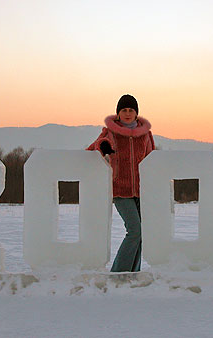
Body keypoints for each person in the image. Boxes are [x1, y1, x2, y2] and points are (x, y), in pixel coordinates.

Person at [86, 94, 155, 272]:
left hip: (141, 190)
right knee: (134, 230)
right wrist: (103, 146)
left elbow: (151, 159)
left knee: (143, 234)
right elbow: (93, 147)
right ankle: (118, 273)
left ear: (136, 113)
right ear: (118, 113)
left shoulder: (145, 135)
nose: (127, 113)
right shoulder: (110, 132)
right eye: (123, 110)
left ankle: (133, 272)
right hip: (120, 188)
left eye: (131, 110)